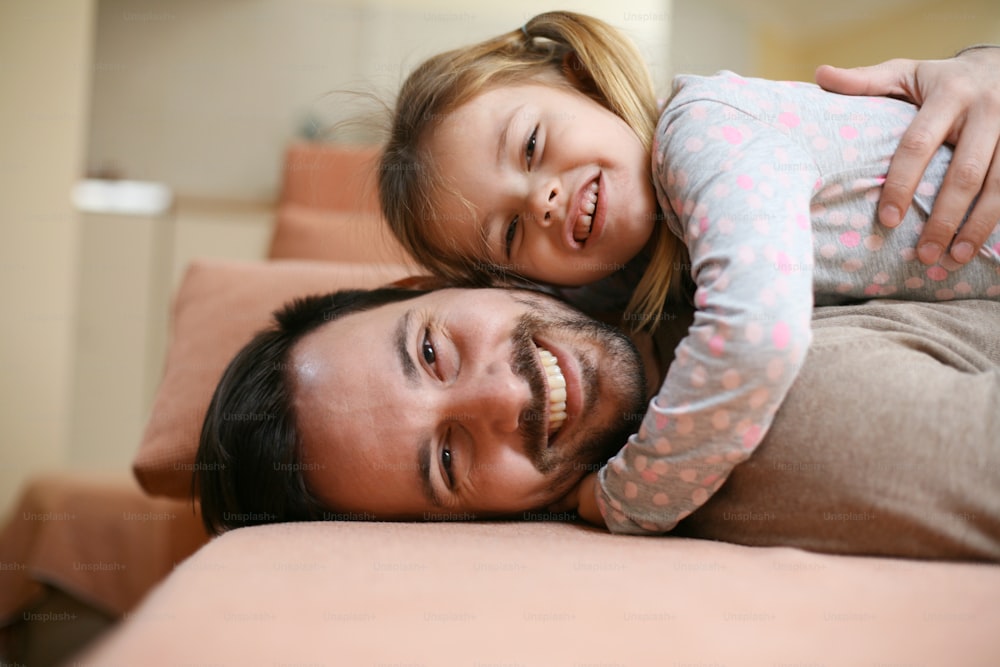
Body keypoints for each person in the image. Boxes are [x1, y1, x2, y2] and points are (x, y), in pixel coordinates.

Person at [376, 11, 1000, 534]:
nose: (541, 201)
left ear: (579, 78)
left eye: (532, 146)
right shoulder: (633, 272)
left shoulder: (700, 130)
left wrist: (624, 496)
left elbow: (756, 339)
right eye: (510, 231)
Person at [194, 284, 1000, 560]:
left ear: (440, 280)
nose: (499, 398)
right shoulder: (788, 425)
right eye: (445, 459)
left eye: (433, 349)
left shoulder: (665, 216)